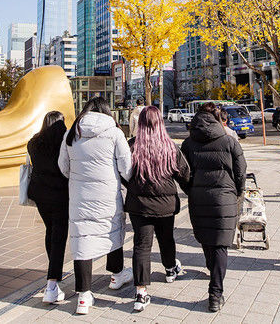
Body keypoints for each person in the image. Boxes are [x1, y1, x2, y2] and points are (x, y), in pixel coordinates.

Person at [58, 96, 134, 315]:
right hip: (108, 195)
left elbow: (63, 167)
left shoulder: (71, 133)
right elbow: (126, 168)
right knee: (112, 231)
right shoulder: (114, 132)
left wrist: (79, 177)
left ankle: (83, 296)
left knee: (83, 241)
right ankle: (117, 275)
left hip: (80, 196)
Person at [181, 102, 246, 312]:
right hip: (224, 197)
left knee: (207, 238)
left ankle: (212, 272)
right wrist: (237, 191)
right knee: (220, 244)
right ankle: (215, 295)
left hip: (198, 196)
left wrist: (190, 188)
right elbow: (241, 171)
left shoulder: (188, 144)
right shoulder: (229, 141)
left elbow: (182, 172)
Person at [124, 106, 190, 312]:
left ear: (140, 124)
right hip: (165, 205)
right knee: (166, 237)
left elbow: (123, 174)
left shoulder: (132, 146)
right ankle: (170, 269)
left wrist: (134, 187)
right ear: (160, 122)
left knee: (141, 246)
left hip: (139, 205)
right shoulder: (170, 147)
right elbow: (185, 175)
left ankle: (141, 293)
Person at [27, 111, 69, 304]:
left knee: (50, 232)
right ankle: (52, 284)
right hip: (61, 196)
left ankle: (53, 276)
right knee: (59, 237)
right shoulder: (65, 143)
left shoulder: (34, 143)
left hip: (40, 195)